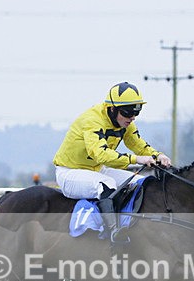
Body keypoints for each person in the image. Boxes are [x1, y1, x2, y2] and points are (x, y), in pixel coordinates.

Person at [53, 81, 171, 243]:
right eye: (127, 112)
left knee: (141, 182)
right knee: (106, 183)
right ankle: (114, 232)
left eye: (136, 111)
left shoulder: (126, 122)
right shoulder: (92, 120)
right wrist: (135, 159)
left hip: (97, 170)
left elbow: (138, 145)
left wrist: (157, 155)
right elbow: (100, 155)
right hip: (69, 172)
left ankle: (136, 226)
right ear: (112, 108)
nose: (132, 117)